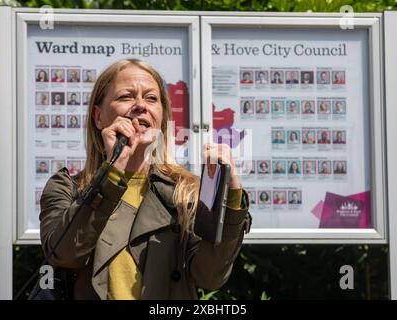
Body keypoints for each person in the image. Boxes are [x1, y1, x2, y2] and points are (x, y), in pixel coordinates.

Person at [39, 59, 251, 300]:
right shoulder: (68, 188)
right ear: (98, 117)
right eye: (126, 97)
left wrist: (232, 198)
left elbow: (210, 277)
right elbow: (65, 254)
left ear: (161, 117)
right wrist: (113, 170)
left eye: (151, 98)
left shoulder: (186, 190)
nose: (141, 105)